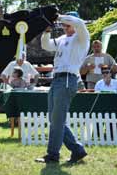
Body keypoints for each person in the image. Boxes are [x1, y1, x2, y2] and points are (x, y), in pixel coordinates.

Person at [36, 12, 89, 164]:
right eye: (63, 25)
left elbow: (79, 23)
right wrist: (46, 32)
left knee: (57, 120)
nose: (64, 27)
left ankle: (53, 155)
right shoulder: (62, 38)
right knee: (54, 119)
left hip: (67, 79)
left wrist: (58, 16)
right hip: (57, 79)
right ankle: (77, 150)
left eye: (67, 24)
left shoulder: (82, 37)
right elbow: (46, 45)